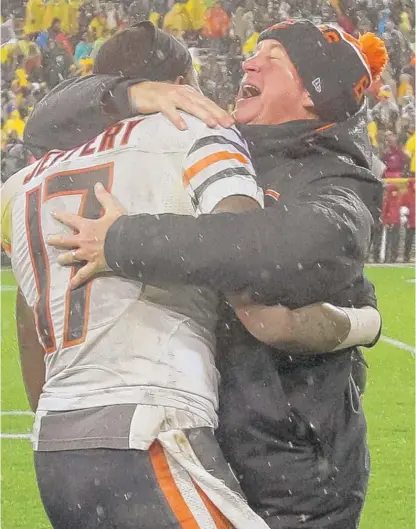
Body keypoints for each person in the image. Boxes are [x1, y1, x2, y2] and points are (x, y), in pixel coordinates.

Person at [26, 20, 386, 529]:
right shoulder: (220, 136)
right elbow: (41, 128)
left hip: (295, 478)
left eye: (273, 57)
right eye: (254, 50)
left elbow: (281, 249)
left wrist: (121, 240)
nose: (248, 62)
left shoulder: (337, 179)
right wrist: (128, 93)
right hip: (206, 444)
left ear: (311, 94)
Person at [2, 22, 269, 529]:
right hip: (152, 425)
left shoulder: (31, 178)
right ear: (179, 81)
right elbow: (243, 243)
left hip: (58, 443)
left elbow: (27, 315)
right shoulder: (193, 129)